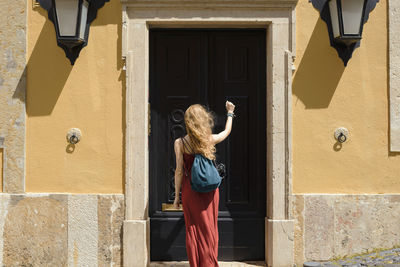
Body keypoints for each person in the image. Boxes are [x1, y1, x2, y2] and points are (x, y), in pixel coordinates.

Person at [173, 101, 235, 267]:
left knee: (192, 229)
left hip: (190, 190)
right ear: (203, 120)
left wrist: (177, 197)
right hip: (209, 192)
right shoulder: (208, 140)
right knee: (209, 229)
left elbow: (179, 171)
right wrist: (230, 113)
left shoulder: (180, 143)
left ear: (187, 121)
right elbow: (226, 132)